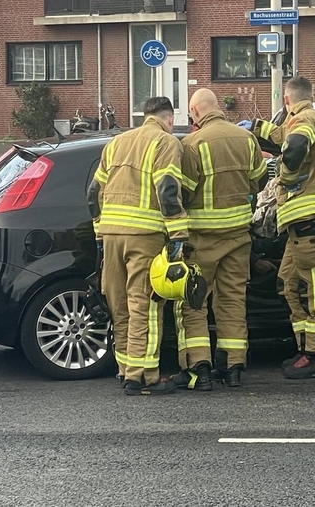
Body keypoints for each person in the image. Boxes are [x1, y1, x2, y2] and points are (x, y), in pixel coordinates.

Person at [87, 96, 188, 396]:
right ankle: (144, 376)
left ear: (145, 115)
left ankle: (125, 370)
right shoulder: (165, 143)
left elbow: (93, 193)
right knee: (145, 305)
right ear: (170, 119)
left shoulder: (116, 143)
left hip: (111, 235)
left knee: (119, 307)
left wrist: (100, 231)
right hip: (144, 235)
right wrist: (178, 234)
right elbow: (167, 190)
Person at [172, 89, 267, 390]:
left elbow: (184, 192)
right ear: (217, 107)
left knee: (193, 302)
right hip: (238, 235)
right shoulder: (247, 139)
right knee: (232, 300)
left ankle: (198, 369)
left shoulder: (192, 144)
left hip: (202, 238)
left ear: (194, 111)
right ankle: (233, 366)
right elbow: (260, 180)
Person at [253, 76, 315, 378]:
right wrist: (255, 127)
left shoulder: (303, 121)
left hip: (309, 215)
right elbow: (284, 135)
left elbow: (293, 147)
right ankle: (304, 347)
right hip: (307, 218)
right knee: (288, 282)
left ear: (286, 100)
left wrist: (285, 178)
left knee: (314, 286)